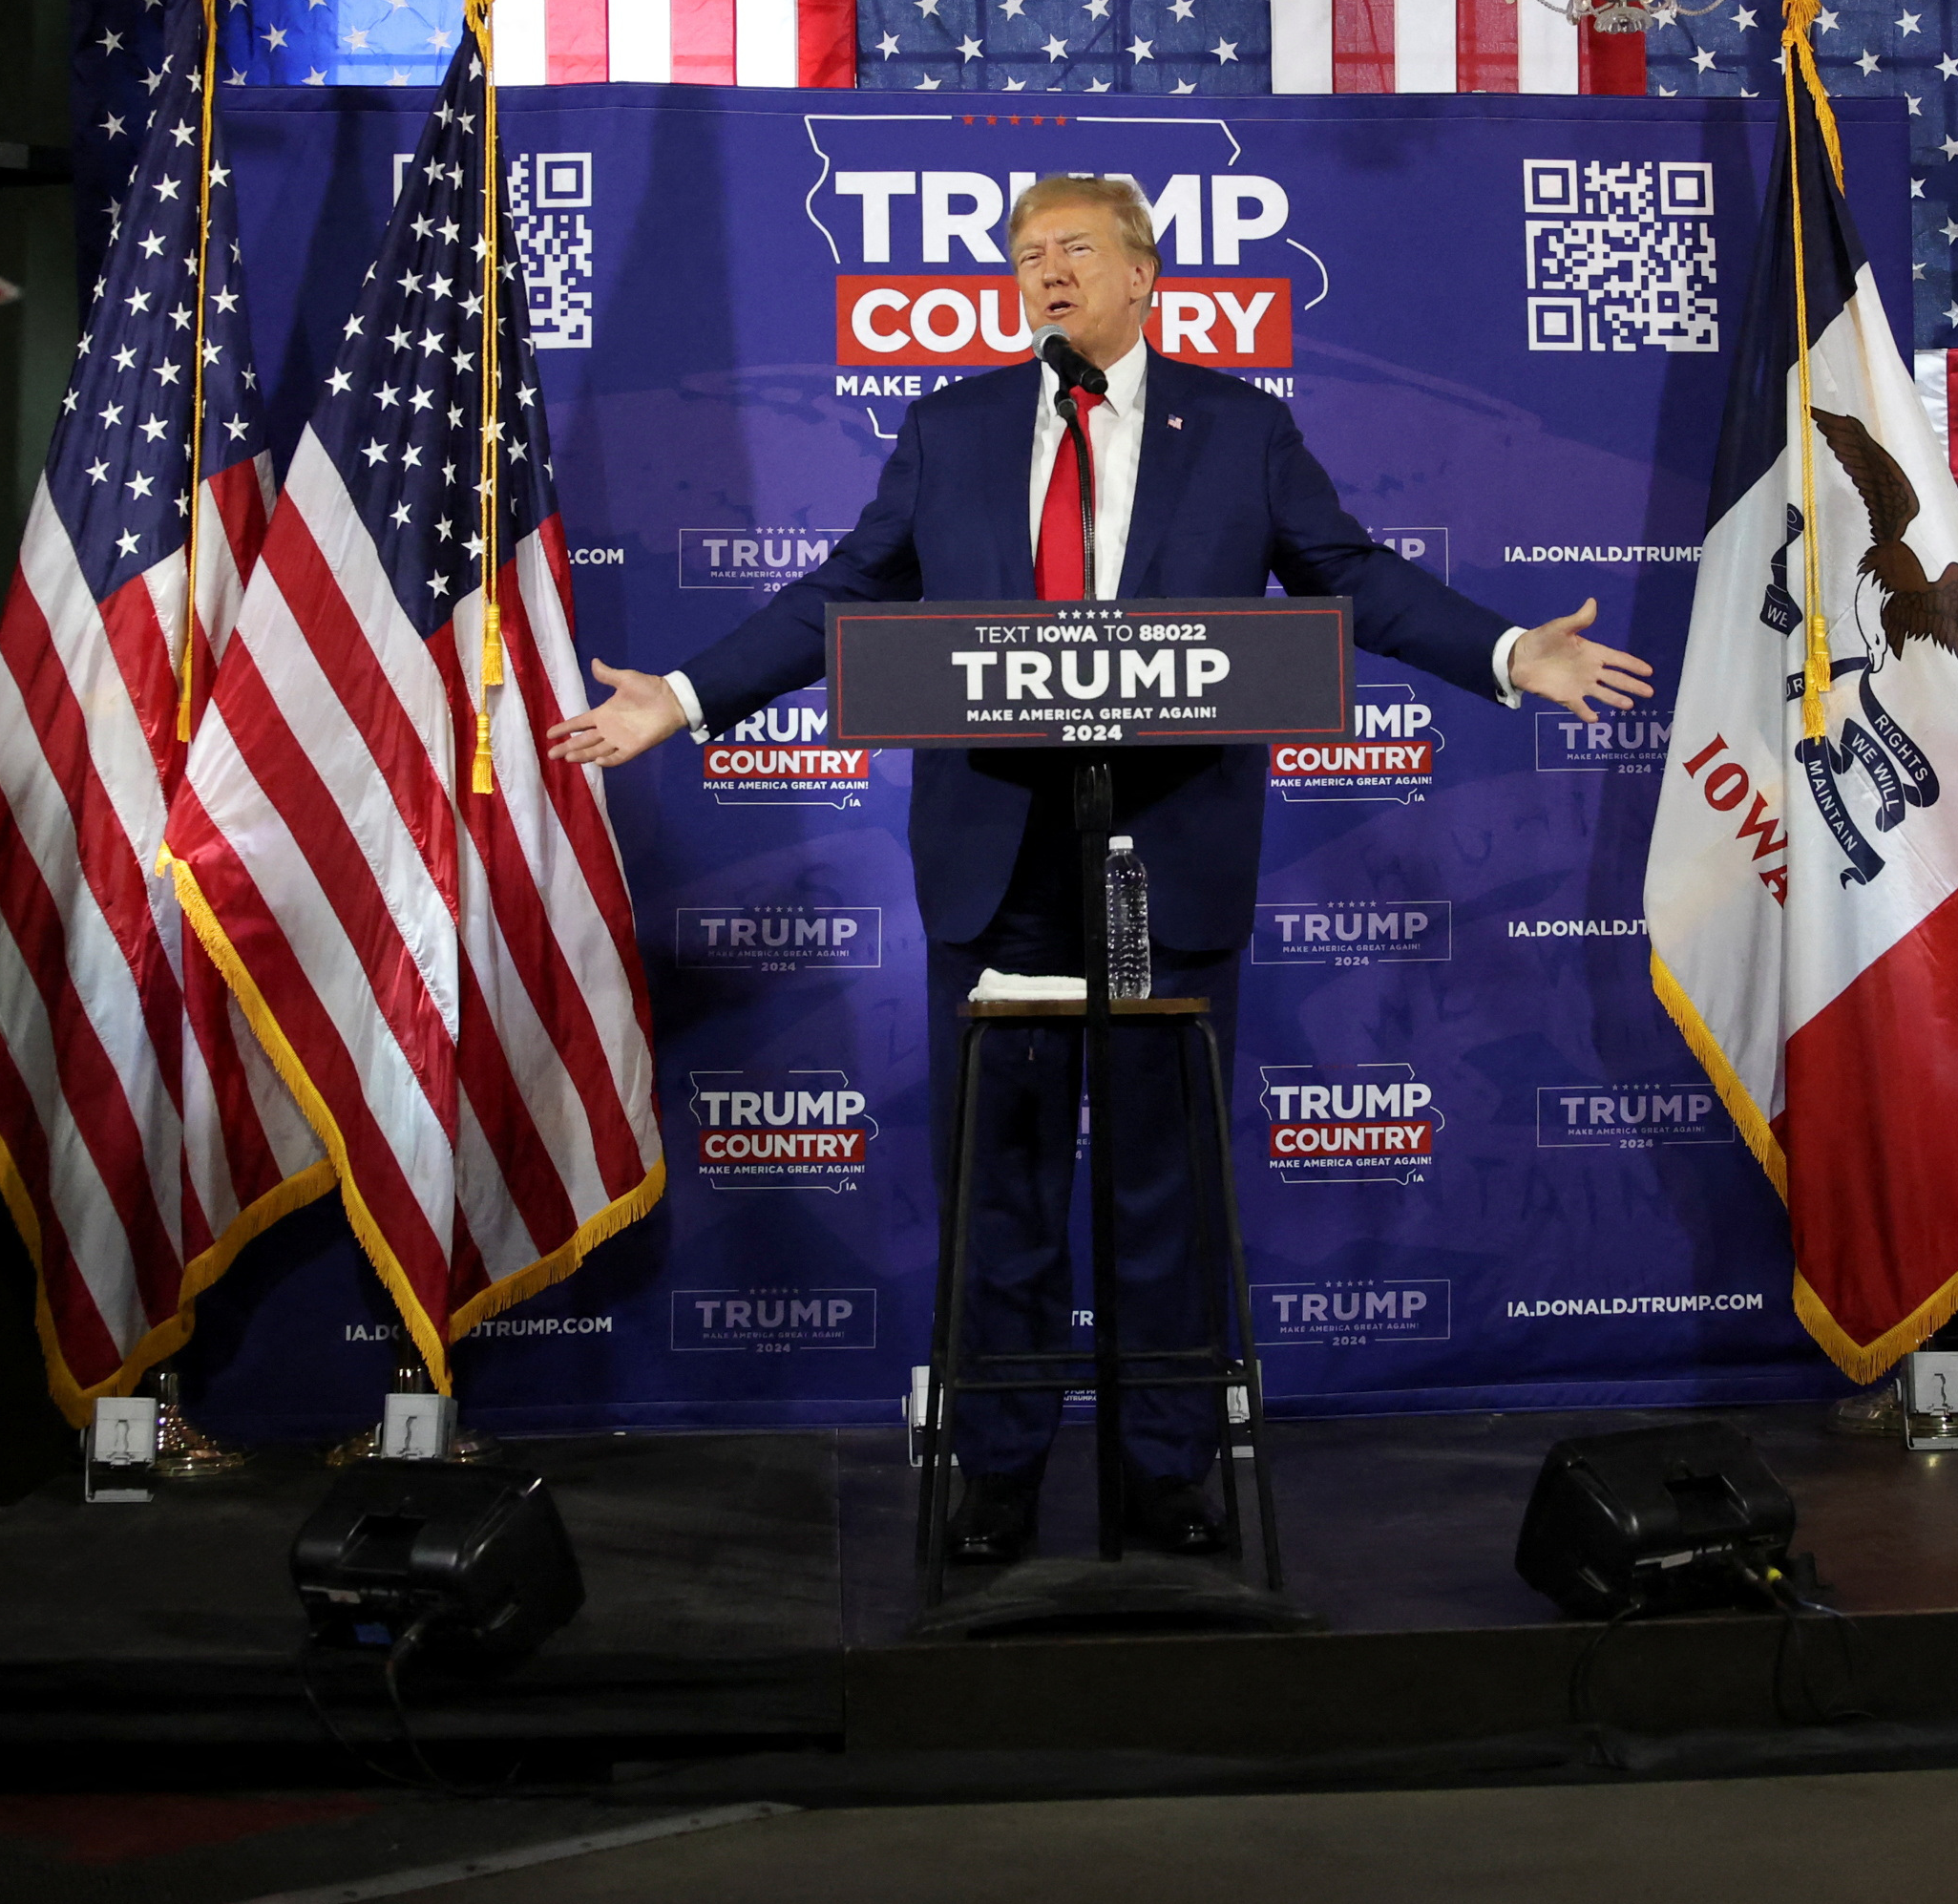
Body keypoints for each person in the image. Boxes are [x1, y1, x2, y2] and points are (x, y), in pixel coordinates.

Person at [547, 173, 1652, 1564]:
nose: (1044, 273)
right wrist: (689, 698)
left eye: (1073, 249)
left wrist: (1506, 652)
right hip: (996, 865)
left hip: (1163, 865)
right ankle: (996, 1477)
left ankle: (1168, 1475)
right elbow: (845, 593)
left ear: (1146, 277)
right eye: (1023, 256)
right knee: (996, 1190)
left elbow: (1350, 577)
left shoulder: (1239, 432)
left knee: (1161, 1190)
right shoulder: (953, 429)